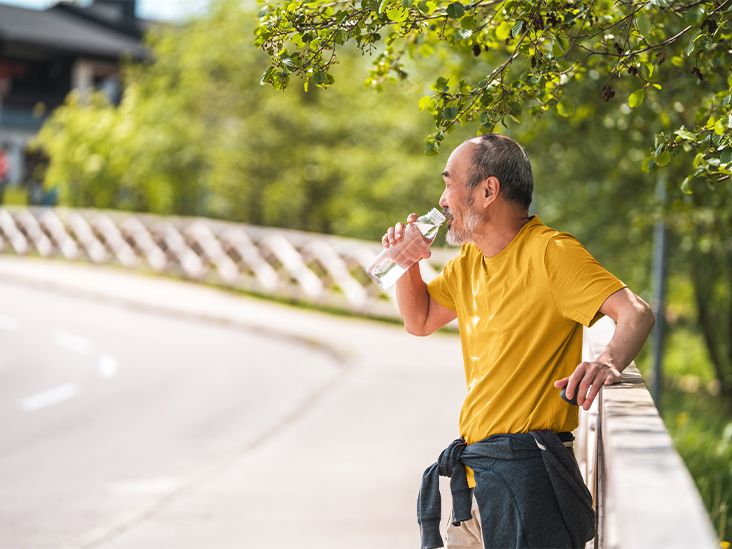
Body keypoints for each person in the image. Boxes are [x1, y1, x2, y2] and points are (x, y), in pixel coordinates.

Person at [381, 134, 655, 549]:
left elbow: (636, 311)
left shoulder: (552, 253)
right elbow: (419, 320)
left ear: (488, 190)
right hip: (475, 484)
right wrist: (406, 264)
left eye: (449, 182)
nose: (442, 200)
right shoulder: (471, 261)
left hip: (530, 479)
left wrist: (608, 361)